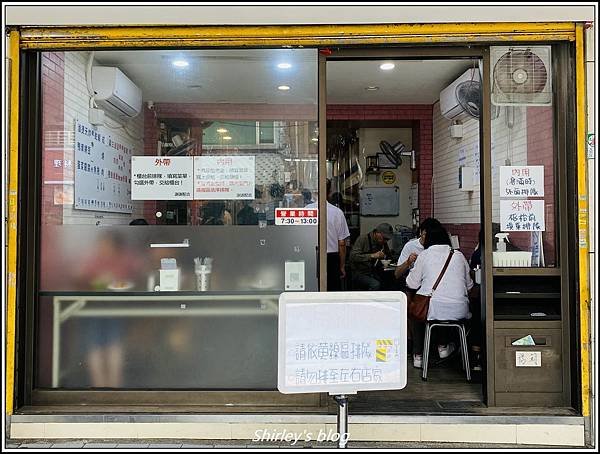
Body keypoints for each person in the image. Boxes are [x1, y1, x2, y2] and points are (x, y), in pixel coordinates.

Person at [406, 225, 473, 369]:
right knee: (443, 308)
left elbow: (411, 284)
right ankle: (443, 347)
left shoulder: (424, 255)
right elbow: (469, 285)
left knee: (416, 311)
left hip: (433, 309)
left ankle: (418, 355)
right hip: (459, 310)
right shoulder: (459, 256)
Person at [306, 179, 350, 291]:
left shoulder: (307, 210)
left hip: (309, 255)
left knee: (311, 289)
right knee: (332, 292)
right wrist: (342, 266)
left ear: (316, 191)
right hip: (332, 258)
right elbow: (342, 243)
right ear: (330, 191)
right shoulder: (337, 212)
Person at [394, 218, 443, 282]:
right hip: (415, 284)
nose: (429, 238)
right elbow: (397, 274)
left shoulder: (439, 247)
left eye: (432, 235)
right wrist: (408, 262)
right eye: (426, 235)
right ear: (420, 232)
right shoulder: (410, 246)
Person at [349, 222, 394, 291]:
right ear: (377, 232)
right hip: (360, 272)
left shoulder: (383, 243)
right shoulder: (363, 239)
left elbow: (389, 257)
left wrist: (386, 257)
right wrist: (372, 256)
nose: (385, 241)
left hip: (374, 272)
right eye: (384, 238)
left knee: (389, 282)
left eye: (387, 239)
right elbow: (353, 256)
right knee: (375, 284)